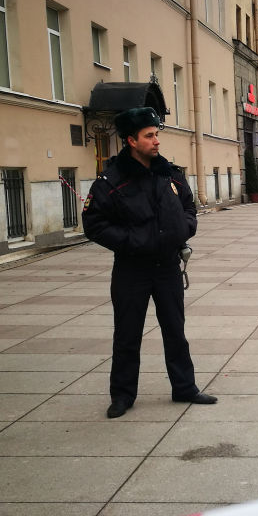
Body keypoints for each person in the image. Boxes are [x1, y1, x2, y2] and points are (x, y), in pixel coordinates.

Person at [82, 107, 217, 418]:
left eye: (157, 134)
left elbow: (188, 207)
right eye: (149, 136)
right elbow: (94, 223)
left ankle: (184, 388)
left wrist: (183, 229)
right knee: (127, 334)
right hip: (132, 269)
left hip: (167, 266)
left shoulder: (169, 172)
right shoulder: (111, 179)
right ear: (131, 140)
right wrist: (132, 242)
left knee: (175, 330)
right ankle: (123, 396)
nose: (157, 141)